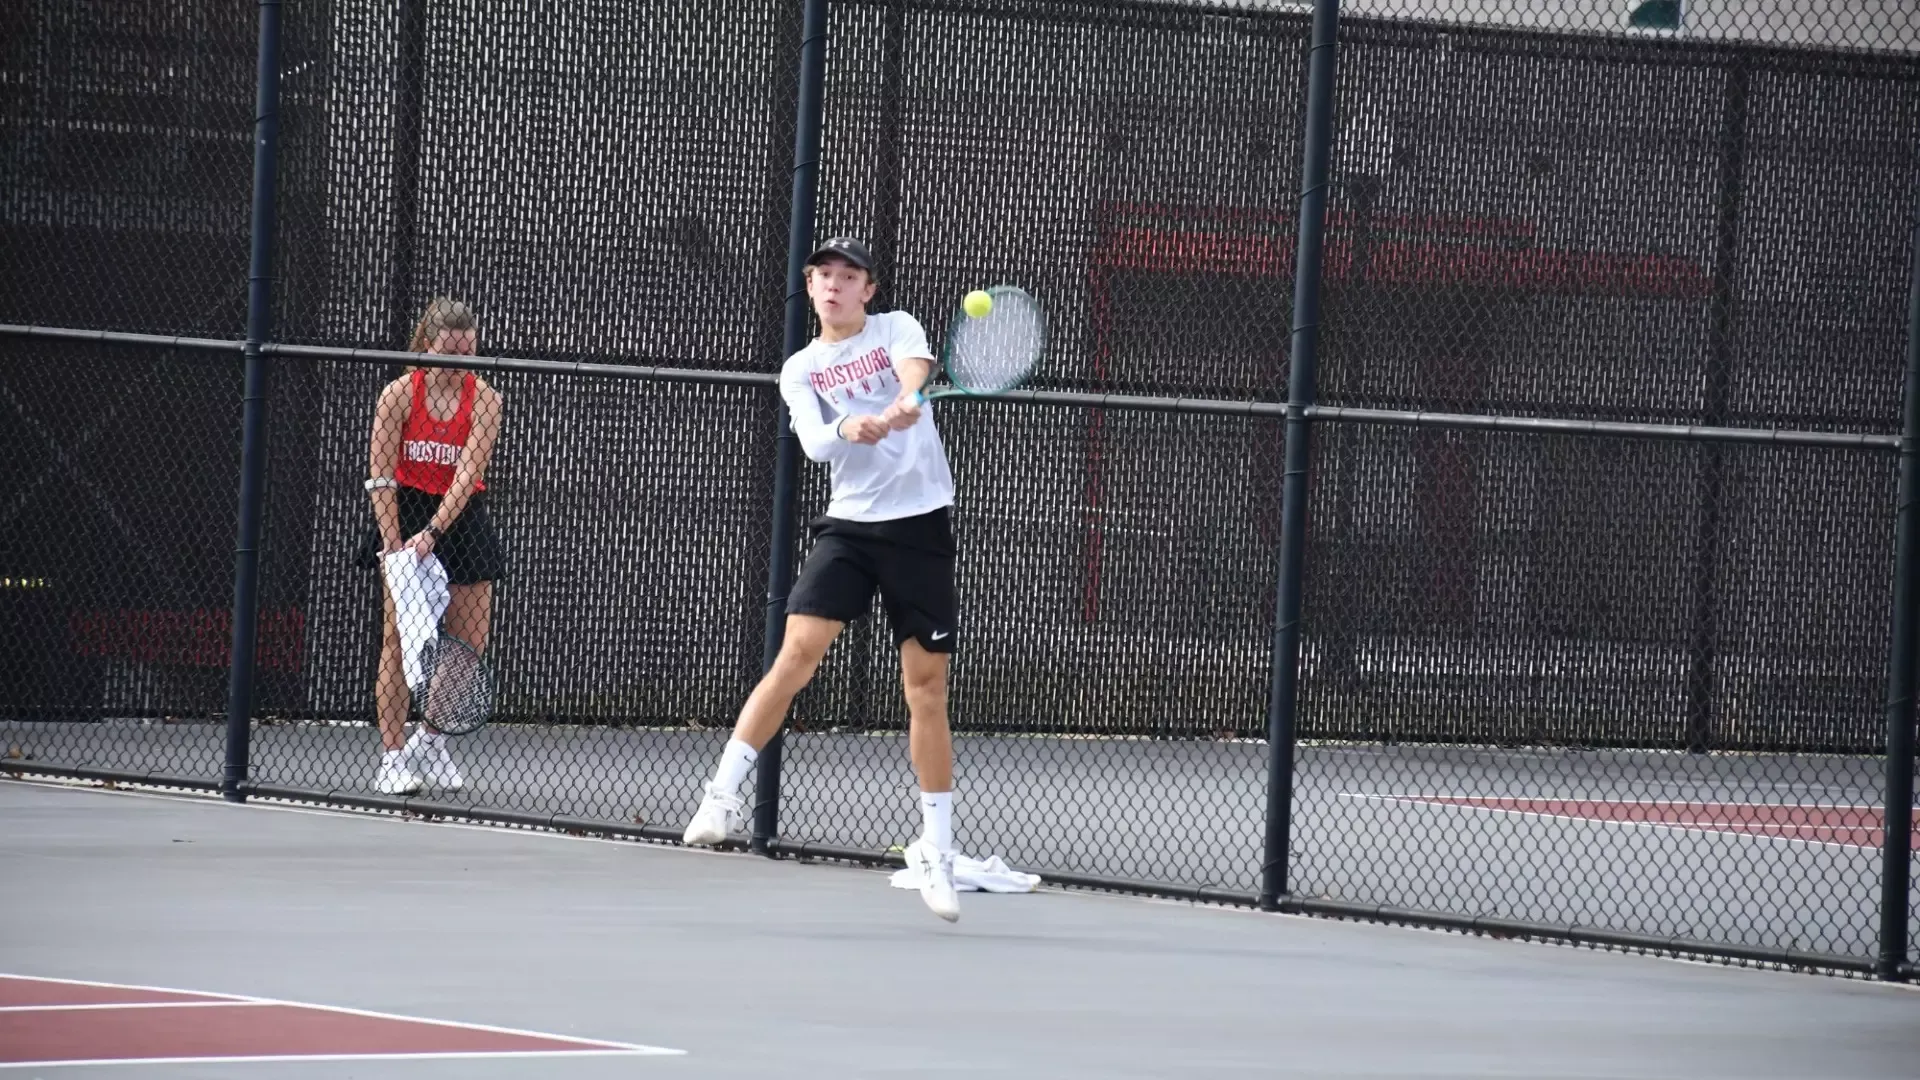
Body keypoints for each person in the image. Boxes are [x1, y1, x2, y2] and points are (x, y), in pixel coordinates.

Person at [681, 237, 964, 922]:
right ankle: (721, 795)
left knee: (924, 688)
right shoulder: (801, 369)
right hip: (849, 529)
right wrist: (855, 426)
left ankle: (938, 848)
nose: (835, 285)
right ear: (810, 287)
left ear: (868, 289)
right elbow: (812, 441)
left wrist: (903, 400)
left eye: (849, 276)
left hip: (919, 527)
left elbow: (914, 368)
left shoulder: (898, 329)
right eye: (824, 276)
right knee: (797, 654)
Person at [357, 297, 505, 796]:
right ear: (427, 346)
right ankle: (393, 758)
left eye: (469, 352)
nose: (460, 362)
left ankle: (431, 739)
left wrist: (434, 534)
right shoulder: (398, 394)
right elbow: (380, 476)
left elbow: (468, 474)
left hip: (457, 521)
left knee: (467, 643)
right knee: (398, 640)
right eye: (450, 352)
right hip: (405, 513)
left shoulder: (485, 399)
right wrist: (395, 543)